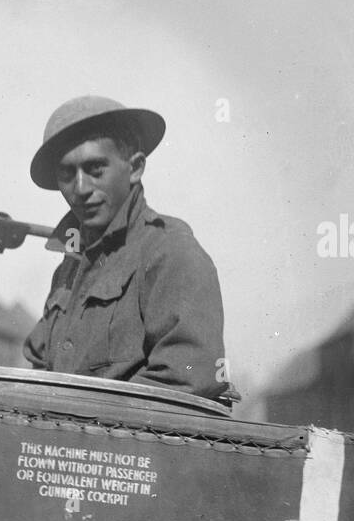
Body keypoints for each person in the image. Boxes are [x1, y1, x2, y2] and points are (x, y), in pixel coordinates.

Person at [23, 95, 233, 402]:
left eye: (95, 169)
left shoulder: (170, 252)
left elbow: (187, 380)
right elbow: (41, 369)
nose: (80, 188)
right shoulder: (68, 270)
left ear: (134, 168)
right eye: (67, 174)